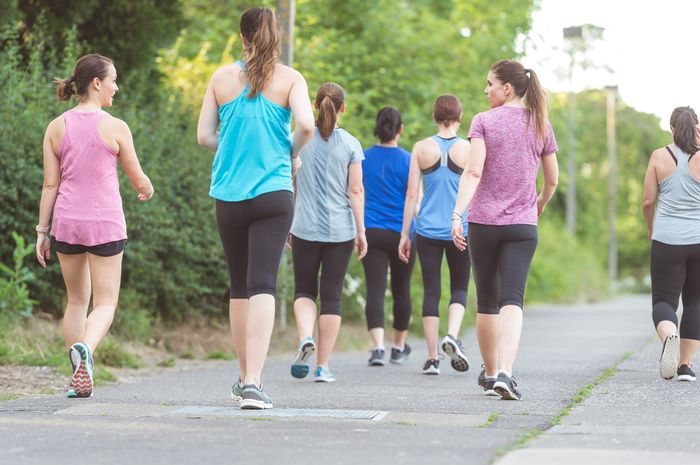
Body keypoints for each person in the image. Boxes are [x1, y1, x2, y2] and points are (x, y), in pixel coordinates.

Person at [197, 7, 315, 409]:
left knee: (240, 287)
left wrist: (232, 144)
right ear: (275, 35)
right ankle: (253, 382)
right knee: (264, 283)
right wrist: (290, 153)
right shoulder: (290, 79)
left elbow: (204, 136)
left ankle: (244, 377)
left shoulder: (220, 78)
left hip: (229, 194)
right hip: (273, 193)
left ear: (241, 36)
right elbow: (306, 127)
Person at [36, 53, 154, 398]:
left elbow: (49, 185)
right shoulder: (115, 126)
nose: (116, 87)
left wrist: (42, 232)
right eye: (113, 80)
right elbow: (137, 178)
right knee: (105, 303)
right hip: (104, 223)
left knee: (75, 301)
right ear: (97, 83)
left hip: (67, 223)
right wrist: (147, 188)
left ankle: (78, 374)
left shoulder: (56, 127)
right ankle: (86, 348)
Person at [452, 60, 559, 400]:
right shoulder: (541, 124)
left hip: (483, 223)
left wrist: (457, 214)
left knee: (486, 302)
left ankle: (489, 371)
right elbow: (553, 180)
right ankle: (506, 373)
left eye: (490, 84)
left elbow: (472, 173)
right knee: (513, 299)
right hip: (522, 225)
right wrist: (538, 203)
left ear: (507, 89)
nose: (485, 90)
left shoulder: (483, 122)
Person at [288, 82, 367, 383]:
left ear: (315, 104)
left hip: (304, 226)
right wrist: (361, 231)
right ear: (342, 108)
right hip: (341, 230)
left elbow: (290, 179)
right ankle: (322, 366)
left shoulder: (299, 139)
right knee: (331, 297)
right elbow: (356, 190)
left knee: (304, 290)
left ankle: (306, 336)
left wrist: (288, 221)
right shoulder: (350, 144)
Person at [399, 95, 471, 376]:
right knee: (459, 288)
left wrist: (405, 233)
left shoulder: (420, 148)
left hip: (427, 229)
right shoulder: (468, 149)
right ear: (460, 117)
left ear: (435, 116)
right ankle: (451, 336)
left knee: (431, 290)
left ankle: (431, 358)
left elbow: (411, 194)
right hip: (460, 229)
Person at [642, 106, 700, 382]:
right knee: (695, 301)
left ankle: (670, 335)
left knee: (664, 301)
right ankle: (685, 366)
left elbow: (647, 201)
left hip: (667, 239)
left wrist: (650, 227)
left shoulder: (659, 156)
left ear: (672, 128)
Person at [362, 107, 415, 366]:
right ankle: (398, 346)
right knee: (401, 289)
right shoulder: (409, 160)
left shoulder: (362, 157)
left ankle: (378, 347)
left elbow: (355, 192)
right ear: (400, 129)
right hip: (402, 232)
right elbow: (415, 200)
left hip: (371, 230)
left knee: (374, 288)